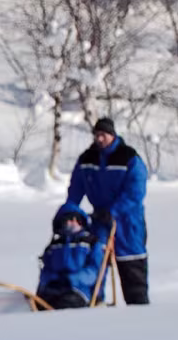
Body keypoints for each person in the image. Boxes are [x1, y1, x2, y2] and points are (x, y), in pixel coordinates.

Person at [61, 116, 148, 305]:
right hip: (100, 221)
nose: (99, 139)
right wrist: (70, 211)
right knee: (94, 262)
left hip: (127, 222)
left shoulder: (129, 158)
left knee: (131, 266)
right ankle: (93, 303)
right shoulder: (87, 159)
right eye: (96, 135)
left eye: (104, 135)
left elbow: (135, 193)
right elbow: (76, 187)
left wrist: (113, 212)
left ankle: (139, 309)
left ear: (112, 135)